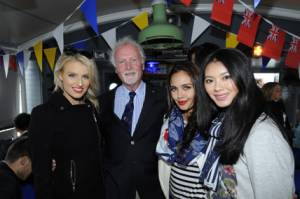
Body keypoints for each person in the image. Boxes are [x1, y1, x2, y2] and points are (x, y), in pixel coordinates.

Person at [199, 48, 295, 199]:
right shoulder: (227, 120)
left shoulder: (262, 135)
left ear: (242, 77)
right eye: (209, 80)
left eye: (226, 77)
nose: (217, 87)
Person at [29, 48, 104, 199]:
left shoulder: (92, 109)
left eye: (85, 76)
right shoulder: (44, 114)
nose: (80, 83)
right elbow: (41, 177)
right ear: (60, 75)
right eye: (72, 75)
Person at [98, 37, 167, 199]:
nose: (128, 66)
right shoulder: (102, 102)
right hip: (115, 187)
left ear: (142, 64)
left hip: (153, 187)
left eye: (133, 60)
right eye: (122, 62)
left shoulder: (164, 98)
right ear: (116, 69)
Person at [156, 63, 210, 198]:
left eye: (186, 87)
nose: (179, 95)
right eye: (174, 89)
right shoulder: (170, 120)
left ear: (199, 87)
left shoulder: (212, 124)